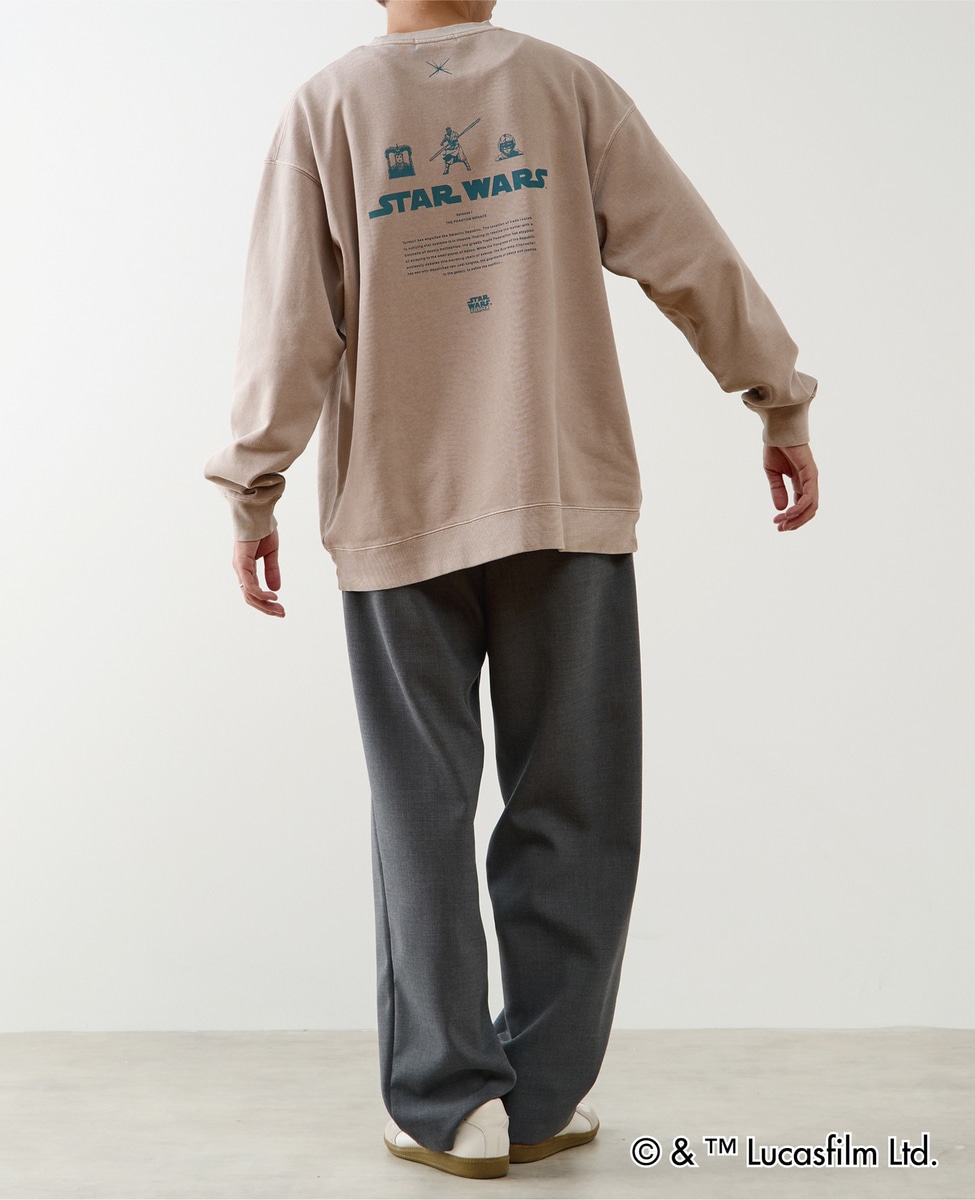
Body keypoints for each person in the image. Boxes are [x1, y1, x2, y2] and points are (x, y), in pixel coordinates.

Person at [204, 0, 819, 1180]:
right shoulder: (566, 88)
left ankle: (449, 1109)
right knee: (574, 804)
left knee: (420, 811)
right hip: (560, 497)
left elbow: (289, 328)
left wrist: (252, 490)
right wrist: (776, 398)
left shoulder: (329, 109)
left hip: (398, 511)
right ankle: (536, 1096)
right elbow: (690, 254)